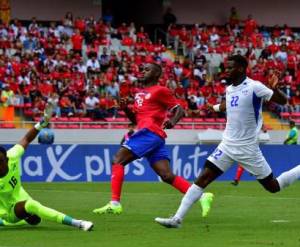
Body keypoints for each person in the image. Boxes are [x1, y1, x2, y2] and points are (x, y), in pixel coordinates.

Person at [154, 55, 300, 228]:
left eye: (230, 67)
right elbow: (227, 105)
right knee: (202, 179)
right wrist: (212, 108)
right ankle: (177, 219)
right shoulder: (230, 89)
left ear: (240, 68)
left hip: (248, 148)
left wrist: (275, 89)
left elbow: (282, 101)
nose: (227, 70)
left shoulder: (255, 87)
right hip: (227, 145)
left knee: (273, 186)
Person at [93, 63, 214, 216]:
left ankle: (115, 203)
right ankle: (202, 196)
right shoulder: (139, 94)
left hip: (149, 133)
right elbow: (136, 119)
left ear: (156, 75)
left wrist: (173, 121)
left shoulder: (161, 90)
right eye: (142, 69)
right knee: (166, 175)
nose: (143, 71)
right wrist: (125, 108)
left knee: (118, 160)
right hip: (150, 135)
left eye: (147, 69)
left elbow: (179, 109)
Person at [0, 103, 93, 231]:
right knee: (32, 206)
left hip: (22, 196)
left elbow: (27, 138)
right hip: (8, 211)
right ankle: (78, 223)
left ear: (6, 158)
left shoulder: (13, 155)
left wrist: (42, 123)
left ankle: (11, 221)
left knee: (36, 219)